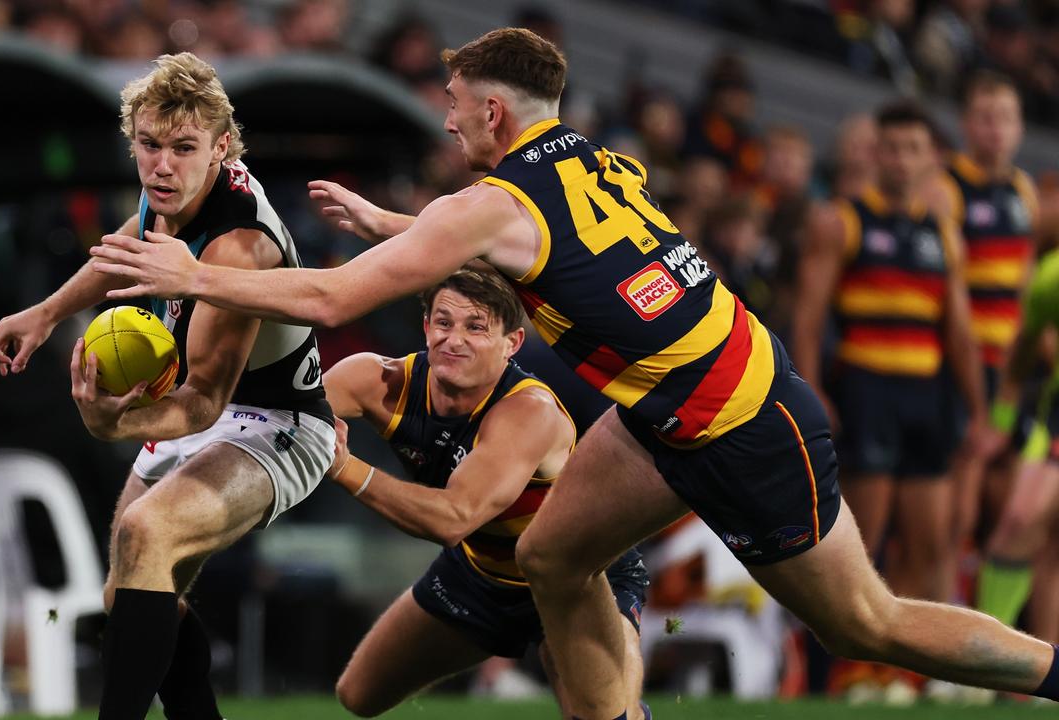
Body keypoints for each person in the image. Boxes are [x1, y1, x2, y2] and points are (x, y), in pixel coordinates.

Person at [89, 28, 1059, 720]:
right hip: (664, 410)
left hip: (743, 422)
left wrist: (192, 272)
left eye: (458, 107)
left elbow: (339, 304)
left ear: (496, 110)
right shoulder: (598, 159)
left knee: (863, 624)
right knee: (550, 557)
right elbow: (540, 249)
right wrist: (397, 229)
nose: (449, 120)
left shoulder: (491, 200)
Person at [0, 52, 335, 720]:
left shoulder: (238, 244)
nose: (162, 164)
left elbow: (205, 401)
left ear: (222, 148)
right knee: (132, 593)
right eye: (148, 145)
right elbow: (127, 246)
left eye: (182, 148)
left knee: (146, 532)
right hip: (208, 405)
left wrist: (114, 426)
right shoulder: (164, 191)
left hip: (280, 422)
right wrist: (47, 312)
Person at [322, 268, 649, 719]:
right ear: (425, 327)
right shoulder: (376, 379)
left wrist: (342, 466)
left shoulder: (527, 411)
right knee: (357, 696)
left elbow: (452, 519)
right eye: (444, 322)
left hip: (577, 576)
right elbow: (286, 412)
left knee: (607, 719)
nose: (454, 339)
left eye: (476, 327)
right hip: (482, 574)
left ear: (512, 343)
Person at [792, 102, 985, 607]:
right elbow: (808, 322)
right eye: (892, 148)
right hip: (865, 391)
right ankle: (839, 674)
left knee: (931, 544)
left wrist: (980, 411)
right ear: (876, 154)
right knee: (860, 546)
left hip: (926, 395)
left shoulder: (943, 233)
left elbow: (960, 334)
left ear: (932, 160)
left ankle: (905, 675)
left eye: (913, 150)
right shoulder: (842, 221)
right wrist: (812, 394)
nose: (901, 160)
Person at [926, 70, 1038, 565]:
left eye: (1006, 119)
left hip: (1015, 365)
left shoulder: (1024, 190)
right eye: (987, 118)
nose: (996, 129)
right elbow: (947, 292)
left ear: (1019, 129)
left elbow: (1029, 282)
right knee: (959, 506)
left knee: (1010, 504)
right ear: (968, 124)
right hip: (962, 363)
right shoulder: (946, 188)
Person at [973, 249, 1059, 632]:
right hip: (1054, 416)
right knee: (1019, 522)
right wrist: (1002, 421)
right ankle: (985, 660)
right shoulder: (1052, 275)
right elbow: (1025, 347)